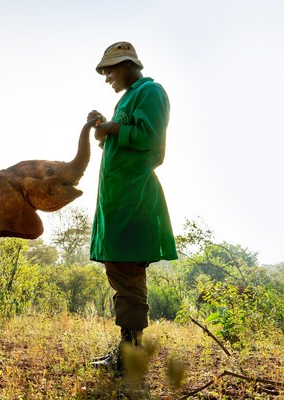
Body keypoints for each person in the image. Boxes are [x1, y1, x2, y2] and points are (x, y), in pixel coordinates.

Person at [87, 41, 178, 374]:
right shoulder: (128, 98)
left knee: (128, 274)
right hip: (118, 199)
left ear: (127, 64)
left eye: (110, 69)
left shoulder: (150, 92)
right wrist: (103, 127)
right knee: (120, 270)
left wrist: (114, 128)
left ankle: (131, 356)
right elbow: (122, 139)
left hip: (135, 198)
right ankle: (127, 349)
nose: (107, 76)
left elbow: (150, 139)